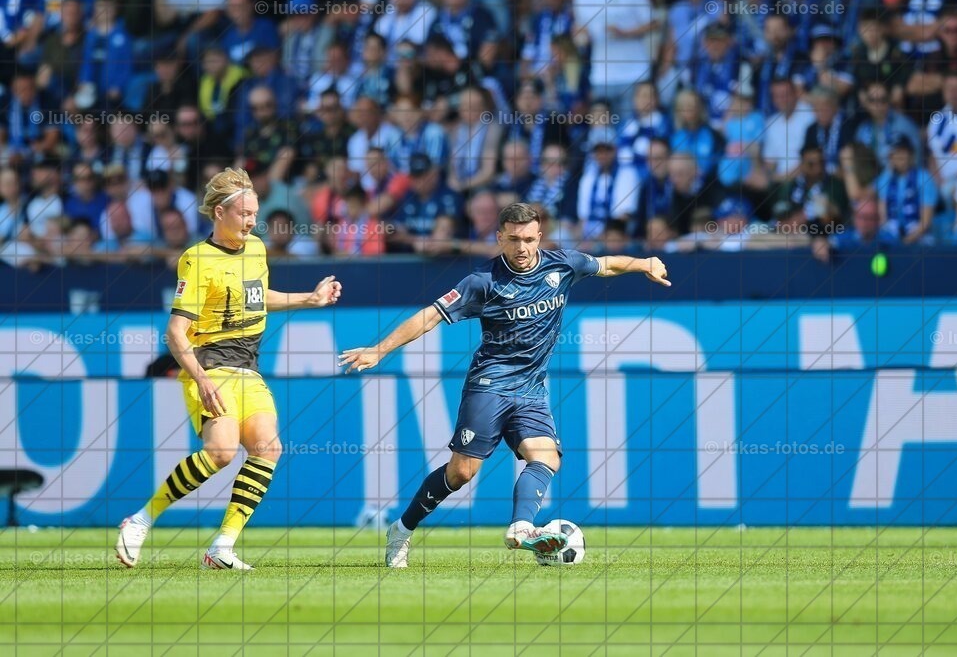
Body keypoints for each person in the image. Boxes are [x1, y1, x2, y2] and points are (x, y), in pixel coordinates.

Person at [338, 203, 671, 567]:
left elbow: (606, 264)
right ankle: (401, 530)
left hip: (531, 390)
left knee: (546, 457)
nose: (521, 247)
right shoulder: (483, 282)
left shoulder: (563, 265)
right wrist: (380, 349)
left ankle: (522, 526)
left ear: (539, 237)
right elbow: (431, 316)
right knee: (461, 473)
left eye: (528, 239)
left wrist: (645, 263)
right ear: (499, 238)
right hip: (489, 385)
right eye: (513, 239)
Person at [115, 167, 342, 571]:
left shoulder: (255, 249)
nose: (252, 222)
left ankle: (222, 547)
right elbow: (175, 332)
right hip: (210, 364)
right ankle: (141, 520)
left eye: (255, 214)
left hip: (248, 367)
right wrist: (200, 380)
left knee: (268, 448)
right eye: (245, 214)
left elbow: (258, 297)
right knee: (220, 452)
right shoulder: (197, 259)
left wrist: (309, 299)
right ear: (220, 213)